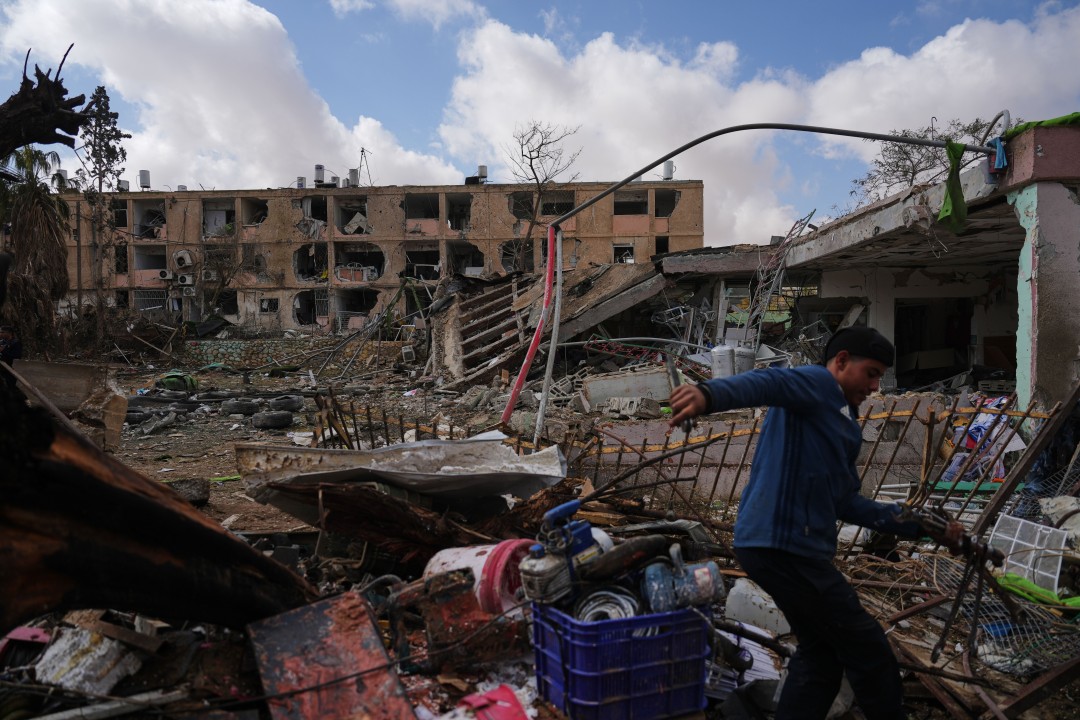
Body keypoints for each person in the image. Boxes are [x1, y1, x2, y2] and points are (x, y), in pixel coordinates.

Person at [670, 326, 961, 720]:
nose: (875, 386)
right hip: (784, 545)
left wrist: (921, 524)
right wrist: (709, 394)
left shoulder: (845, 423)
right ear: (841, 361)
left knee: (821, 656)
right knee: (867, 646)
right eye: (871, 373)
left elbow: (847, 502)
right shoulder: (816, 383)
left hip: (787, 549)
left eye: (879, 377)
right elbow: (769, 382)